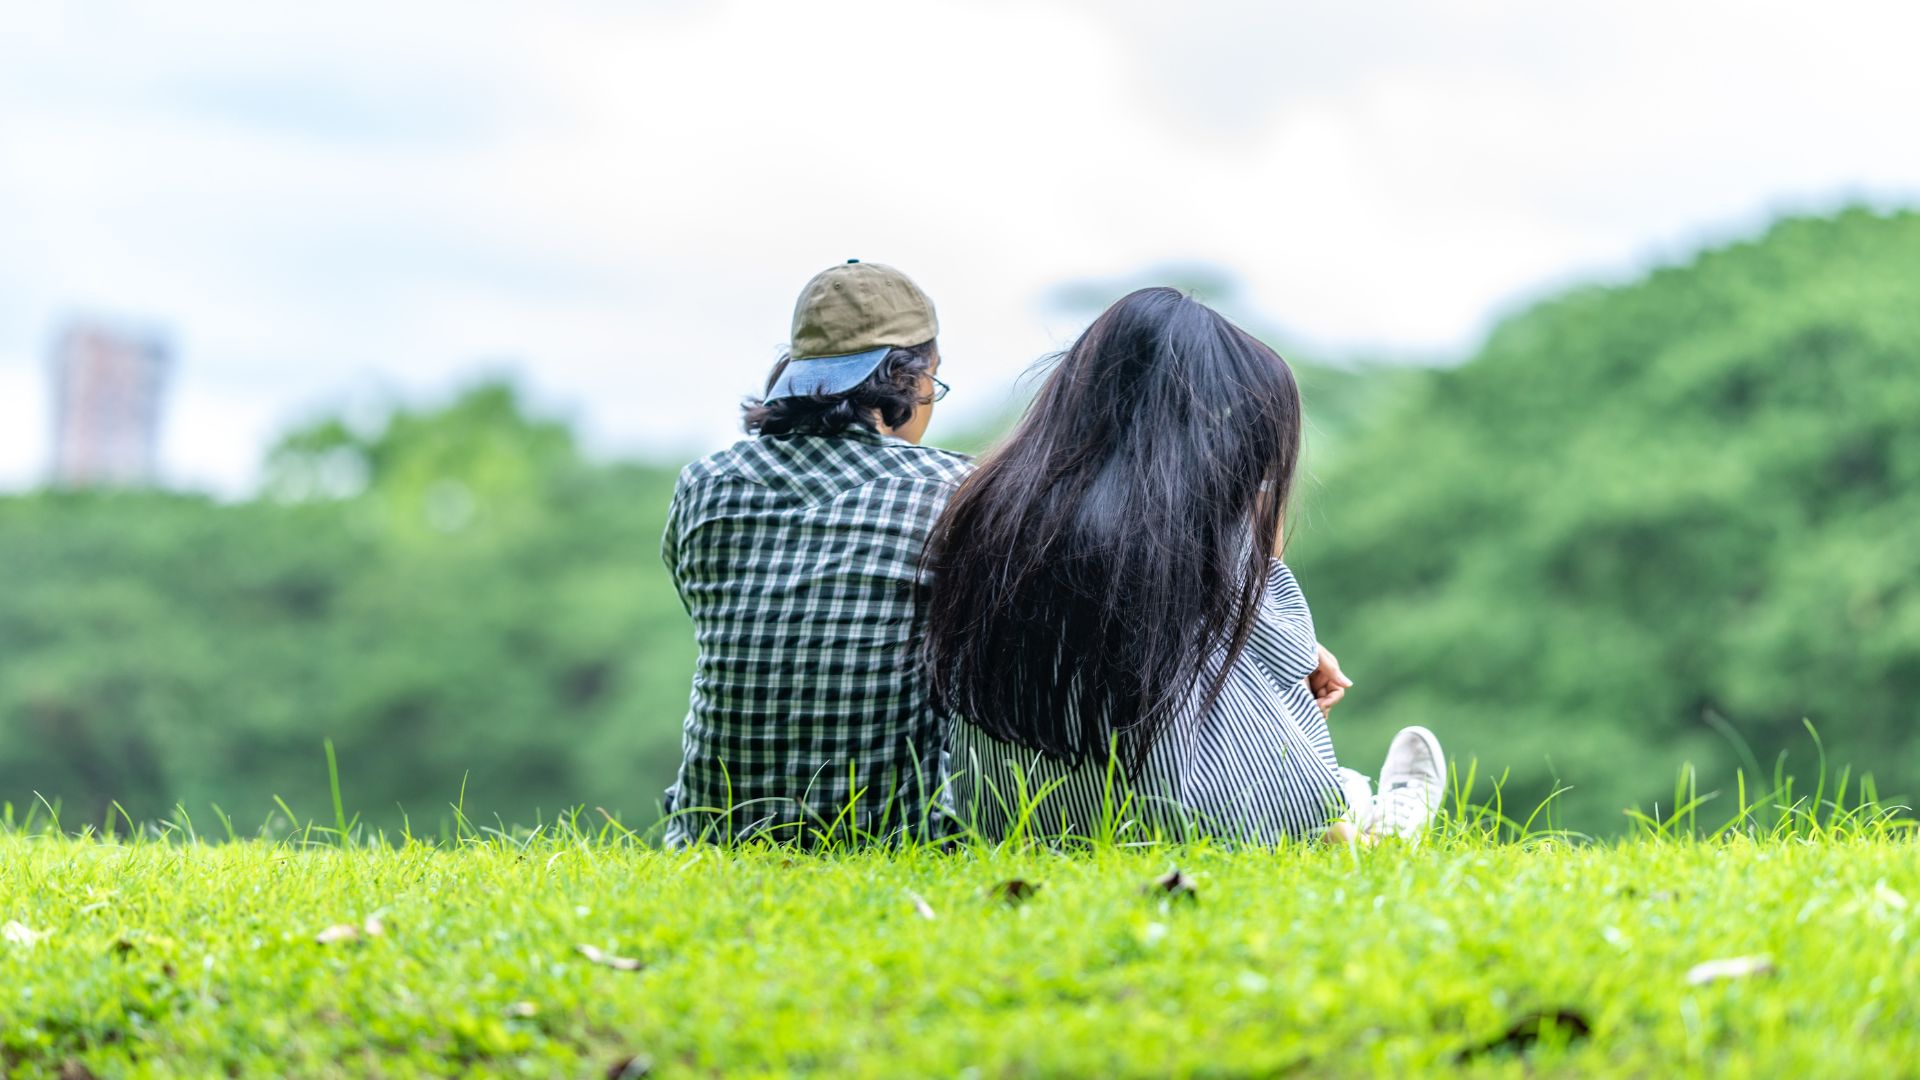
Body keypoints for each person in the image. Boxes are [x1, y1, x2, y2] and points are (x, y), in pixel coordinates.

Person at [921, 286, 1446, 845]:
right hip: (1183, 818)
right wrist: (1261, 522)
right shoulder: (1195, 525)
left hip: (1013, 814)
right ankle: (1383, 820)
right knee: (1327, 790)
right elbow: (1289, 655)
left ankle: (1365, 813)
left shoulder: (988, 502)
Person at [660, 260, 969, 846]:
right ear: (908, 380)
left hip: (714, 839)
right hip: (894, 839)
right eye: (934, 379)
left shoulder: (704, 485)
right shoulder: (953, 492)